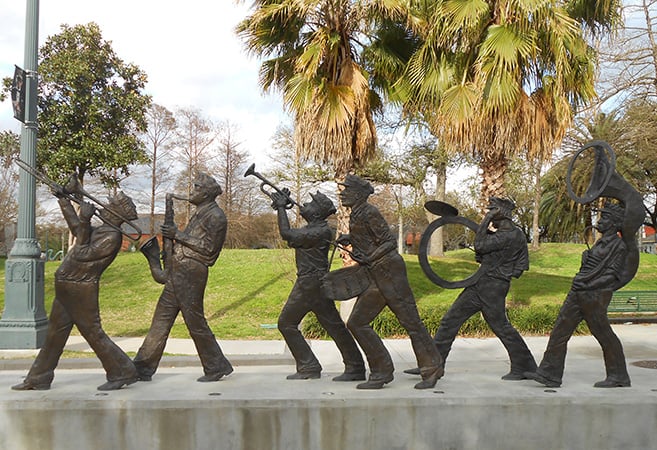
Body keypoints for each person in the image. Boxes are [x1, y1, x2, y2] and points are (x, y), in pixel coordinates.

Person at [13, 187, 139, 391]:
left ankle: (122, 370)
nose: (104, 209)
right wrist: (64, 200)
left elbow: (81, 252)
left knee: (93, 332)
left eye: (110, 207)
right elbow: (77, 230)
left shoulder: (112, 237)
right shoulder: (103, 230)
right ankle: (39, 378)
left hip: (81, 290)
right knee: (55, 333)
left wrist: (85, 220)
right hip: (68, 288)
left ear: (117, 213)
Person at [406, 197, 536, 380]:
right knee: (450, 320)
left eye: (492, 211)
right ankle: (432, 364)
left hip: (493, 286)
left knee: (501, 326)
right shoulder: (509, 234)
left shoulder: (510, 235)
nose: (488, 214)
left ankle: (525, 365)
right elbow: (498, 255)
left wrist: (486, 221)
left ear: (500, 214)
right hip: (481, 284)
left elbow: (480, 245)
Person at [334, 174, 443, 390]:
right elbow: (369, 239)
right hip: (376, 275)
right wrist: (350, 239)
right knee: (357, 322)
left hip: (390, 273)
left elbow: (388, 242)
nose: (342, 193)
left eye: (346, 190)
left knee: (411, 323)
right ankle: (381, 370)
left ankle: (431, 368)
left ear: (357, 194)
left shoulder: (369, 212)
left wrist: (370, 257)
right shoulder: (357, 213)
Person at [133, 173, 233, 382]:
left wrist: (177, 235)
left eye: (195, 188)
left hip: (191, 274)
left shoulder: (216, 216)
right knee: (161, 321)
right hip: (180, 272)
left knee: (195, 321)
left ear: (206, 194)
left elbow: (209, 250)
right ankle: (142, 367)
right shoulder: (200, 213)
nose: (191, 192)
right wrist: (170, 249)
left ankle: (216, 366)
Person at [525, 203, 631, 388]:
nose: (601, 221)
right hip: (579, 292)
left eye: (605, 218)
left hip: (594, 296)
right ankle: (550, 373)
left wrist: (587, 283)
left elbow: (611, 276)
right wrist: (585, 264)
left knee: (603, 334)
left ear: (614, 224)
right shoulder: (600, 243)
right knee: (560, 330)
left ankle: (618, 375)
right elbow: (593, 269)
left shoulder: (618, 246)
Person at [270, 189, 365, 381]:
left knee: (286, 323)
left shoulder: (320, 230)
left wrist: (281, 208)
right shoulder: (315, 229)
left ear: (316, 212)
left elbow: (287, 234)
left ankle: (309, 366)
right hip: (313, 282)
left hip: (309, 284)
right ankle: (354, 366)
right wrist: (281, 209)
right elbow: (292, 234)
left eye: (310, 204)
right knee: (335, 326)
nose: (305, 205)